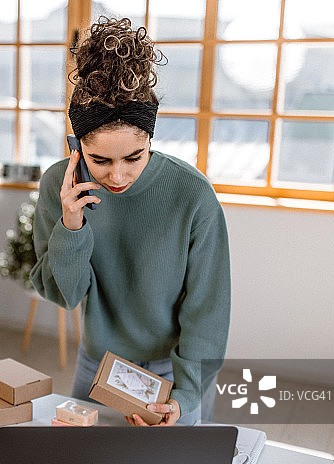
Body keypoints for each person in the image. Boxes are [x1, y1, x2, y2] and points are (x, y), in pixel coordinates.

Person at [30, 17, 231, 426]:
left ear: (150, 140)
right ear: (77, 143)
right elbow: (64, 296)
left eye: (134, 157)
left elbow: (207, 310)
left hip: (175, 375)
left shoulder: (192, 195)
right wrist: (71, 225)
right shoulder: (60, 184)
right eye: (99, 160)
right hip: (98, 367)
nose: (117, 177)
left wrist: (185, 395)